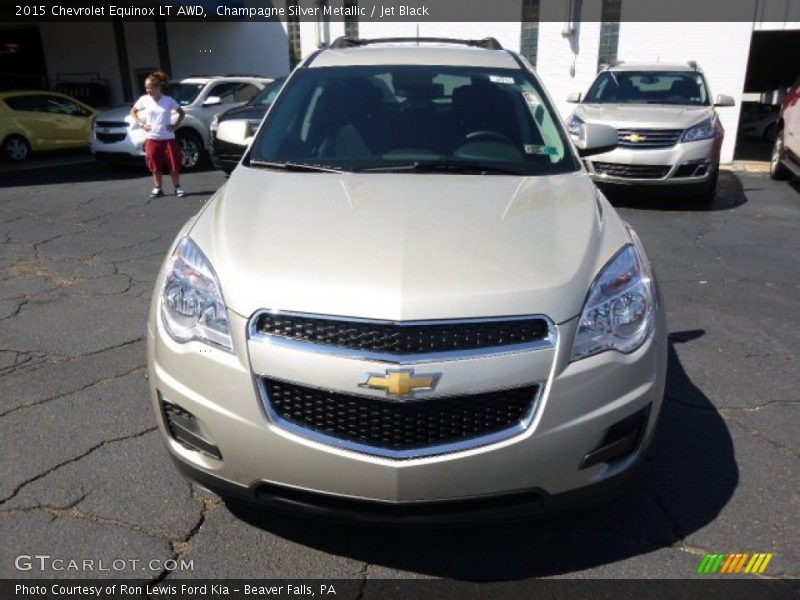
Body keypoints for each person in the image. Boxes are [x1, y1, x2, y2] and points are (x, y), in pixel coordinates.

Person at [130, 71, 186, 198]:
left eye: (150, 87)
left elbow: (182, 113)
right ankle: (158, 188)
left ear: (158, 87)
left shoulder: (168, 100)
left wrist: (175, 125)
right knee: (155, 165)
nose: (148, 90)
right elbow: (133, 111)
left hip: (168, 138)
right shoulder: (144, 100)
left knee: (173, 164)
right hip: (152, 138)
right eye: (146, 88)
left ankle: (177, 187)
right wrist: (141, 124)